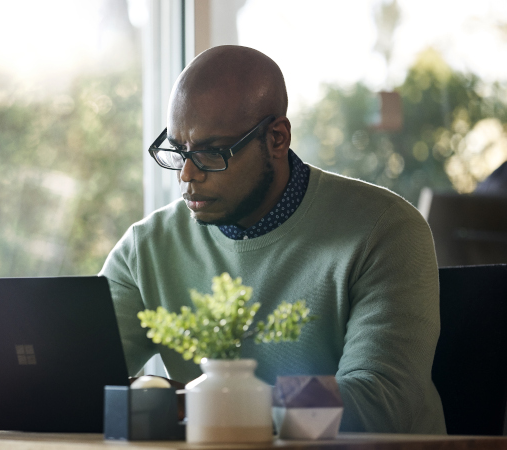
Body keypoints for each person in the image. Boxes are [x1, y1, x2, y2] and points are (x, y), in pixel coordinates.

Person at [100, 45, 446, 434]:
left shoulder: (383, 229)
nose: (187, 175)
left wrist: (218, 404)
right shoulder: (146, 247)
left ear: (277, 139)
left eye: (212, 153)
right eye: (179, 151)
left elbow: (380, 402)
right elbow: (81, 381)